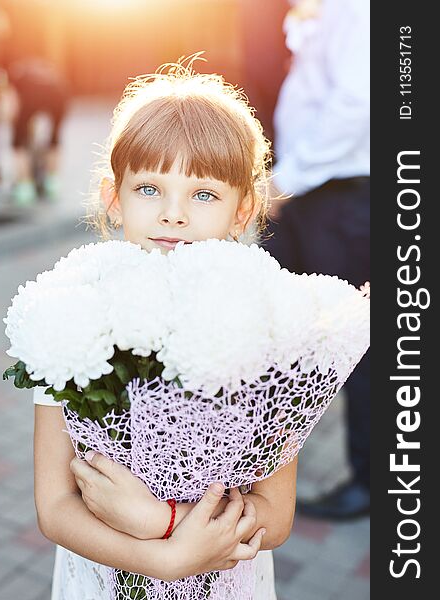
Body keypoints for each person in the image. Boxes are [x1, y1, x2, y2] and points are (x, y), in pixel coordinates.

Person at [33, 60, 297, 599]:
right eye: (149, 188)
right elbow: (55, 507)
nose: (174, 214)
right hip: (102, 582)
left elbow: (278, 513)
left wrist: (164, 523)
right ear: (114, 196)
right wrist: (165, 558)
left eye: (203, 195)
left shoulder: (267, 326)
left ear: (243, 208)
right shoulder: (72, 316)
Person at [264, 0, 370, 519]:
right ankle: (253, 458)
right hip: (310, 192)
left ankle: (371, 482)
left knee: (359, 344)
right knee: (278, 323)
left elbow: (358, 102)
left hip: (343, 194)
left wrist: (285, 180)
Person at [6, 56, 68, 205]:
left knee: (17, 142)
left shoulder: (15, 75)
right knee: (54, 138)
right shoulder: (45, 70)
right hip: (59, 93)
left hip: (32, 96)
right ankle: (52, 184)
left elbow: (11, 106)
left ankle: (25, 188)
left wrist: (15, 127)